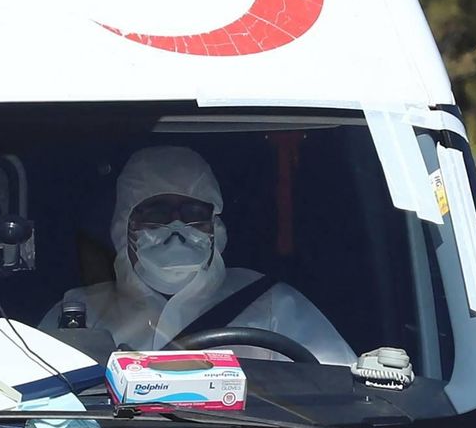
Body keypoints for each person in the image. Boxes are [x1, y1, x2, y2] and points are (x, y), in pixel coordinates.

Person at [42, 146, 356, 364]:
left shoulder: (273, 304)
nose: (176, 227)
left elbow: (338, 391)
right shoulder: (78, 315)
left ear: (215, 226)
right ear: (123, 226)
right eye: (157, 213)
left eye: (193, 212)